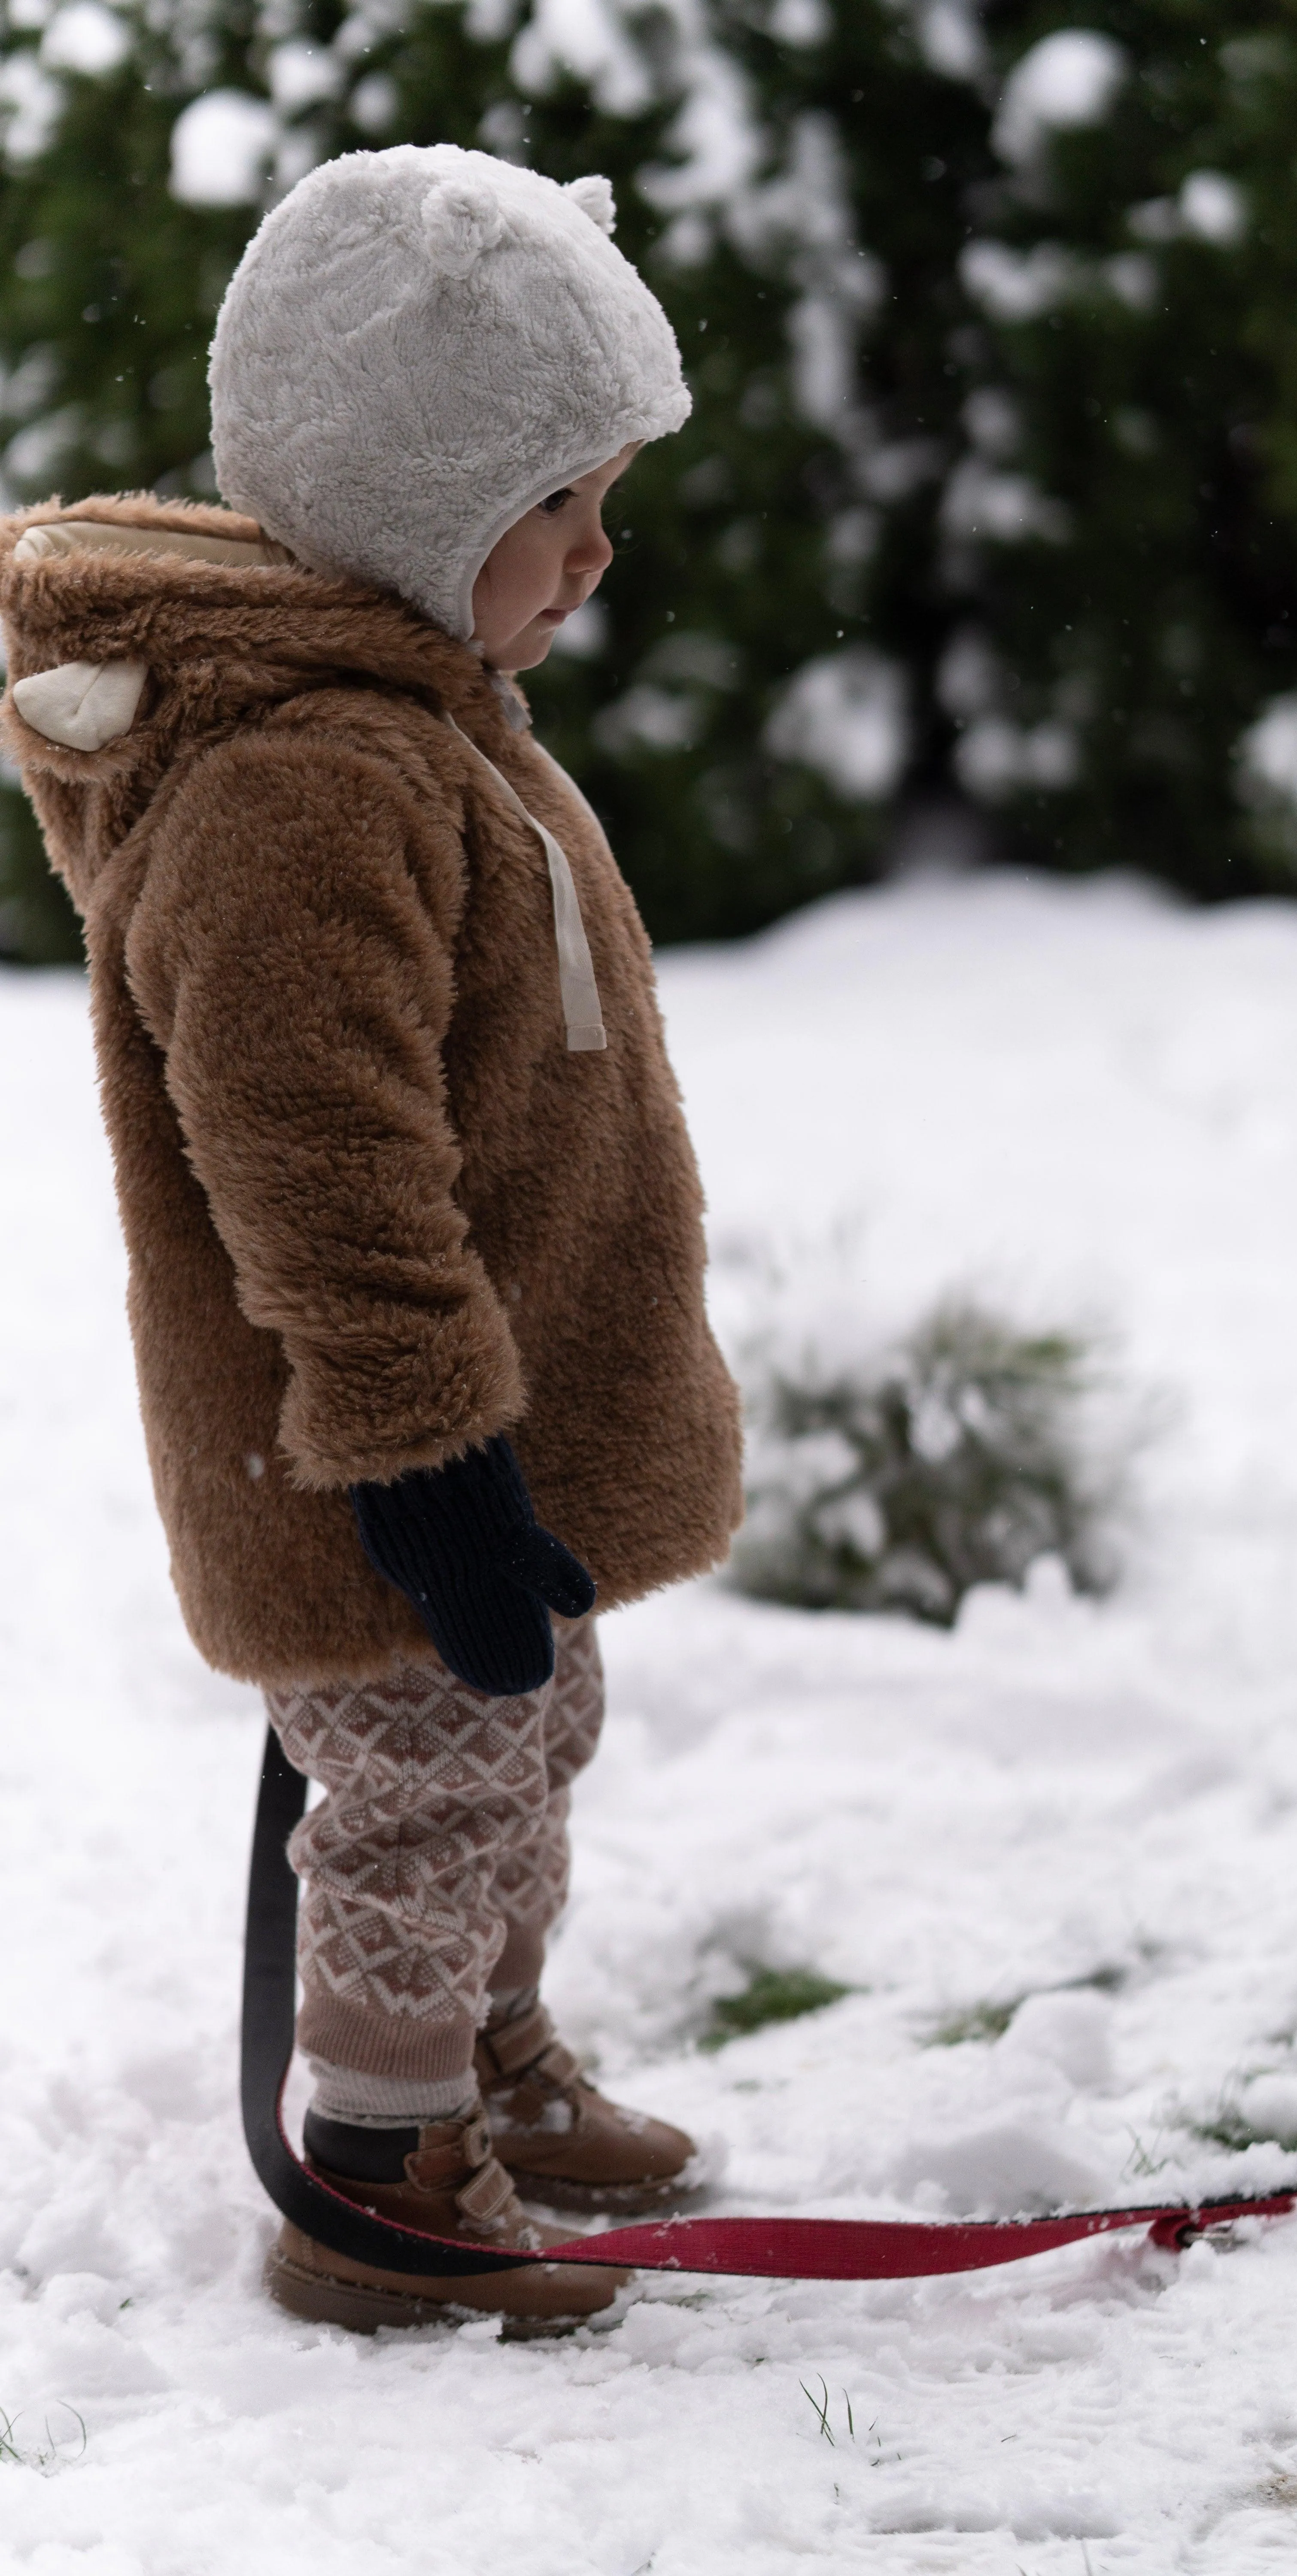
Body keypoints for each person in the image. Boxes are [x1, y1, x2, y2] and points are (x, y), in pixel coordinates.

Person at [0, 146, 744, 2340]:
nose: (599, 562)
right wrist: (422, 1456)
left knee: (529, 1729)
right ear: (415, 504)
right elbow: (311, 1158)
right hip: (382, 1442)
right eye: (559, 508)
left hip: (502, 1410)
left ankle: (485, 2056)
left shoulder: (404, 714)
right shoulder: (304, 778)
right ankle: (380, 2168)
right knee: (424, 1781)